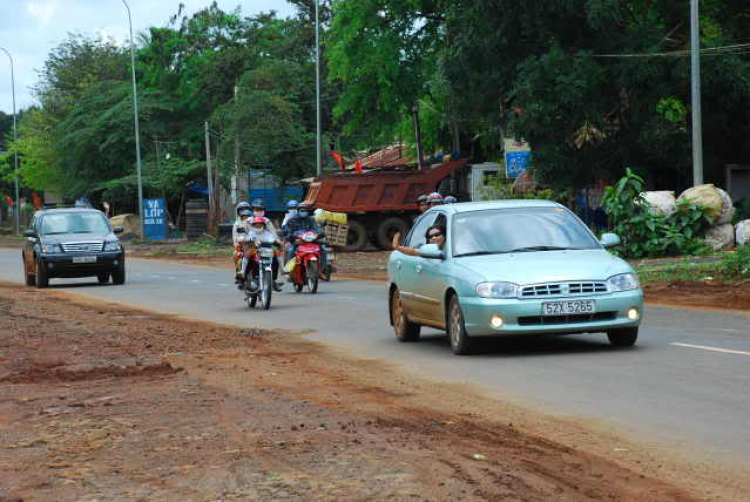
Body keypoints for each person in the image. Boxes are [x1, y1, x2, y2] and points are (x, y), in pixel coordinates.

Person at [239, 215, 284, 292]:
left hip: (267, 251)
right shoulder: (251, 233)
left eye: (260, 224)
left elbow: (273, 239)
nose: (258, 226)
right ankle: (243, 271)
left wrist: (277, 242)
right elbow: (245, 239)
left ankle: (278, 275)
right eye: (256, 224)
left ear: (263, 225)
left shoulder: (267, 233)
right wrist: (246, 240)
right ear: (253, 225)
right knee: (248, 254)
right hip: (255, 251)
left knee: (276, 254)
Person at [282, 203, 328, 276]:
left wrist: (319, 234)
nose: (303, 212)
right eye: (302, 210)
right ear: (298, 211)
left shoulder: (311, 219)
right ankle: (289, 270)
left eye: (305, 210)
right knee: (290, 250)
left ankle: (321, 270)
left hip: (311, 241)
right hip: (296, 241)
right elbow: (288, 231)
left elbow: (317, 229)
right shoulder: (292, 220)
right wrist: (292, 238)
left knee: (324, 250)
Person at [233, 207, 253, 284]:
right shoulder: (238, 224)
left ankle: (271, 279)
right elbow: (236, 237)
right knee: (237, 255)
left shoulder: (255, 224)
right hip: (243, 246)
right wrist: (237, 244)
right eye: (244, 216)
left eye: (248, 216)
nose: (246, 218)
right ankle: (240, 275)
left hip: (254, 246)